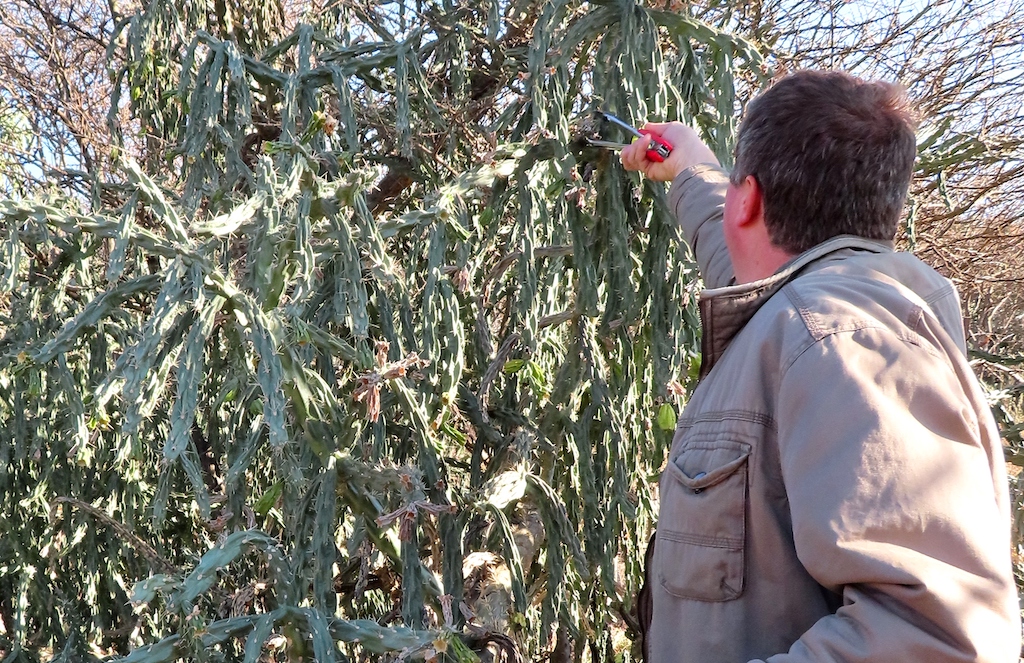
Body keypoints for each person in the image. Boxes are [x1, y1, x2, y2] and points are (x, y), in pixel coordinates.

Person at [620, 69, 1021, 663]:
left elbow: (938, 638)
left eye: (734, 185)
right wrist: (692, 170)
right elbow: (739, 258)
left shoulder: (842, 341)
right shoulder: (810, 312)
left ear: (750, 199)